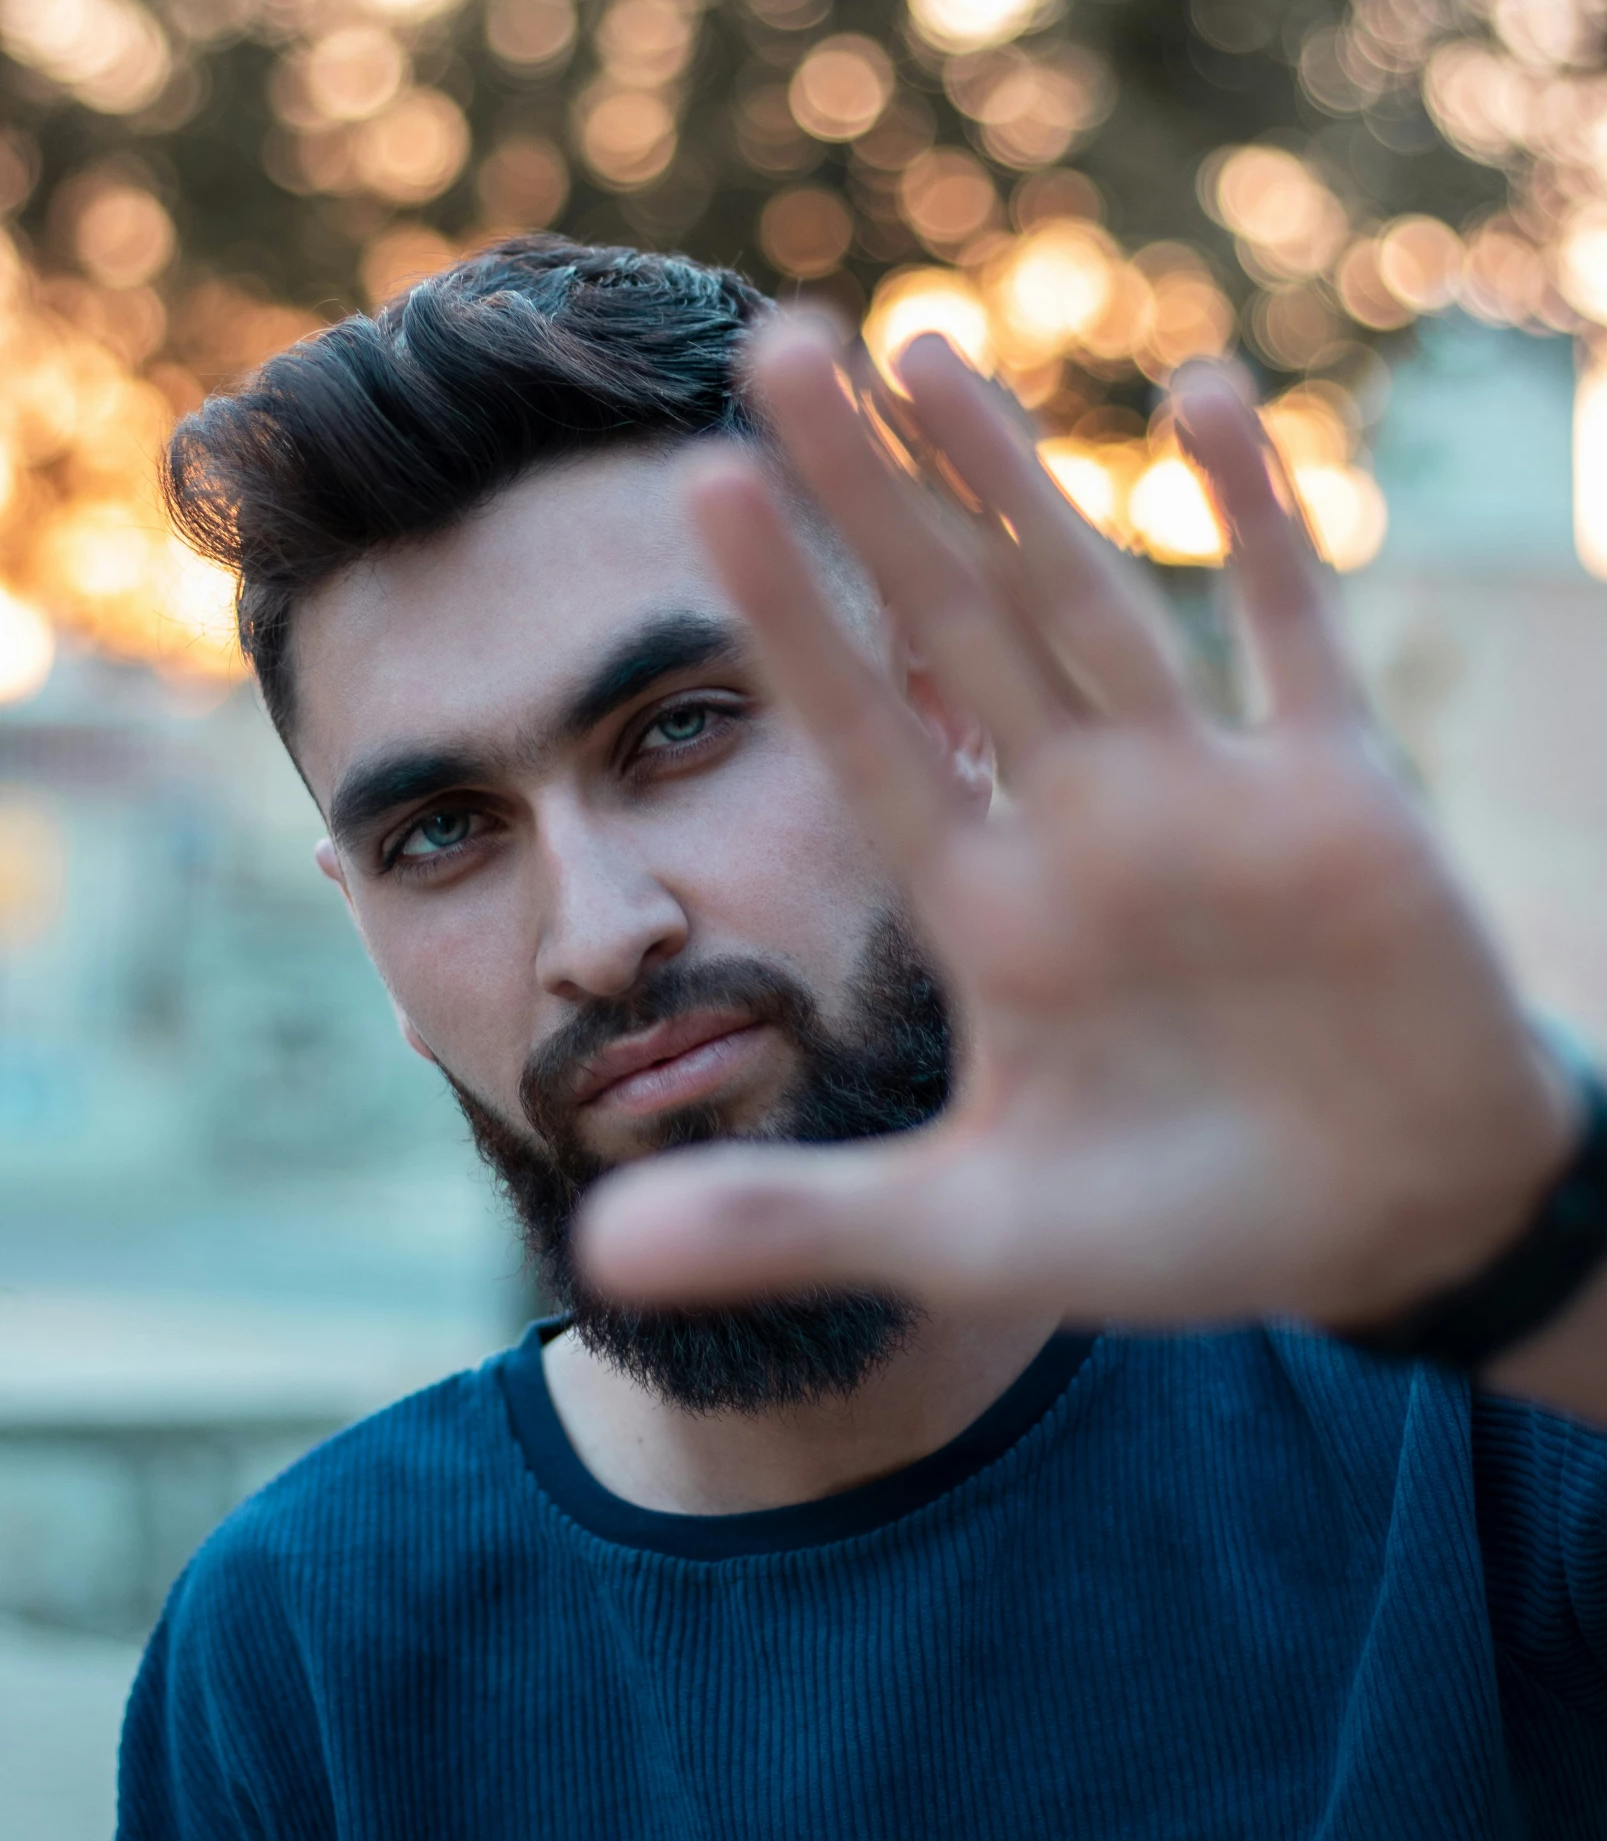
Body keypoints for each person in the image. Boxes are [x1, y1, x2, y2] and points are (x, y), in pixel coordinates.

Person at [118, 235, 1607, 1837]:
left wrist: (1559, 1261)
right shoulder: (294, 1659)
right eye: (442, 832)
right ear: (367, 929)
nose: (601, 929)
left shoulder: (1483, 1430)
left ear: (943, 704)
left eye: (678, 729)